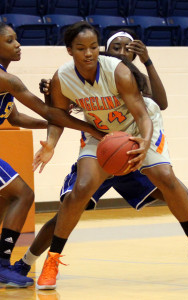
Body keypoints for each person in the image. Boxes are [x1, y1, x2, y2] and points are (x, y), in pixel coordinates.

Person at [27, 21, 188, 290]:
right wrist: (51, 143)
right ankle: (52, 260)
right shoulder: (63, 78)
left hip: (137, 128)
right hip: (101, 136)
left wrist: (143, 141)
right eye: (81, 48)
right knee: (81, 189)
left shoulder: (118, 71)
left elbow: (143, 113)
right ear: (69, 51)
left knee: (164, 176)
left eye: (94, 47)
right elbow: (58, 116)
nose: (89, 53)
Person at [0, 21, 104, 288]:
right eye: (10, 40)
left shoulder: (6, 81)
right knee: (23, 195)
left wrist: (54, 122)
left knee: (8, 198)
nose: (18, 44)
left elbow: (17, 116)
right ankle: (1, 265)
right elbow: (48, 113)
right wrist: (90, 127)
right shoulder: (6, 79)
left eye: (16, 39)